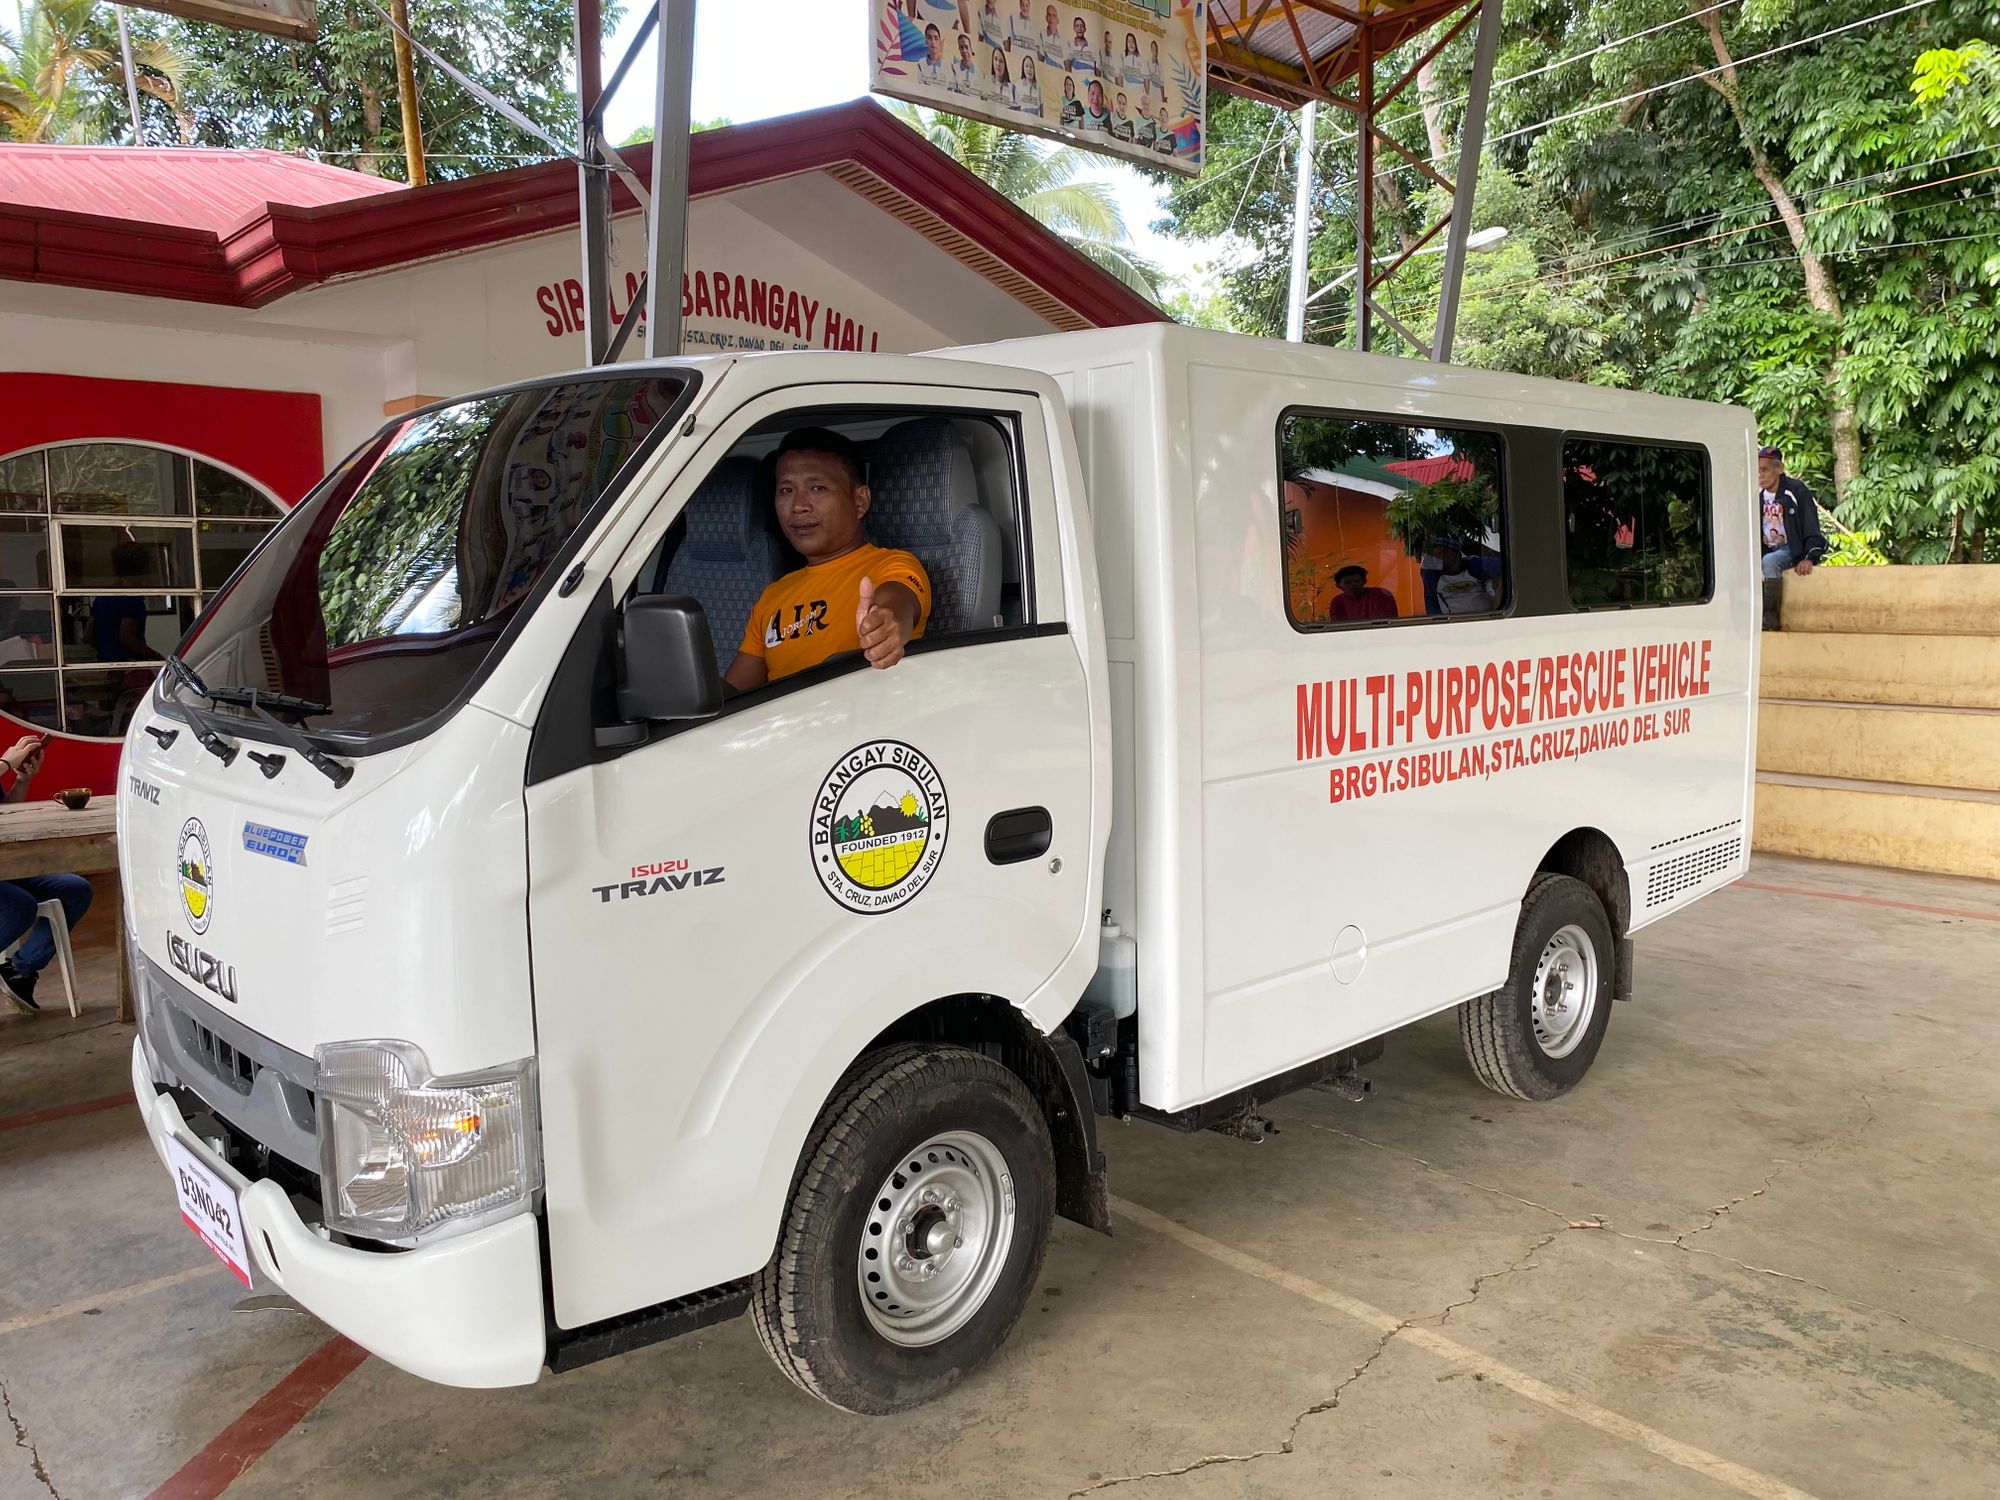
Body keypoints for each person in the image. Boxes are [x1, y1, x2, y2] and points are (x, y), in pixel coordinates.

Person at [722, 430, 931, 693]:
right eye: (786, 490)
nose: (798, 506)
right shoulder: (772, 596)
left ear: (860, 501)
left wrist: (887, 627)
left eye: (817, 488)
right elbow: (733, 692)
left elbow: (897, 605)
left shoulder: (892, 565)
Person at [0, 734, 92, 1014]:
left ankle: (19, 971)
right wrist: (5, 763)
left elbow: (5, 811)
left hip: (6, 866)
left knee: (75, 890)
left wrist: (21, 780)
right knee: (19, 906)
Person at [1758, 445, 1827, 578]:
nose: (1760, 475)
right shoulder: (1756, 494)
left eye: (1765, 470)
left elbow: (1810, 525)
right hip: (1764, 549)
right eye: (1757, 470)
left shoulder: (1795, 490)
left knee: (1769, 562)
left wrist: (1809, 557)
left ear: (1779, 469)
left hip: (1790, 549)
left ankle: (1772, 593)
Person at [1427, 539, 1500, 616]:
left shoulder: (1473, 565)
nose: (1438, 557)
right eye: (1436, 554)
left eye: (1444, 552)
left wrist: (1496, 607)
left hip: (1489, 617)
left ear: (1457, 553)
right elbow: (1432, 610)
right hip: (1457, 621)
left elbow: (1502, 568)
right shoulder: (1432, 576)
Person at [1327, 564, 1398, 622]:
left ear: (1364, 582)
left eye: (1357, 581)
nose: (1353, 585)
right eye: (1347, 583)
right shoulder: (1337, 602)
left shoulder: (1380, 595)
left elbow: (1385, 623)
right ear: (1338, 586)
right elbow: (1337, 627)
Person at [916, 23, 946, 87]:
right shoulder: (920, 63)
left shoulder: (946, 67)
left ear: (940, 41)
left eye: (936, 38)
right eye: (929, 38)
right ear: (925, 41)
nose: (933, 42)